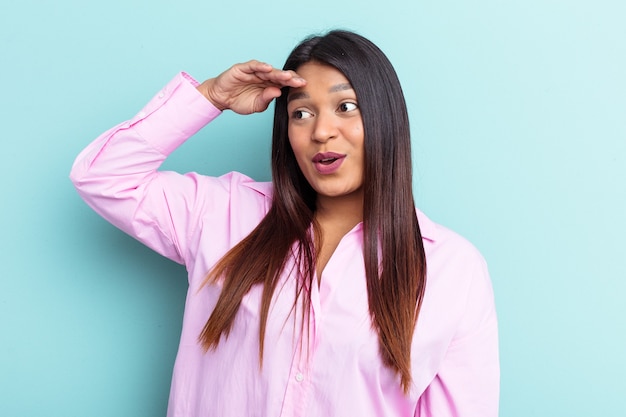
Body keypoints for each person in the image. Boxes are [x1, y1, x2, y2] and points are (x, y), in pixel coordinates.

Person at [70, 30, 499, 417]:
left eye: (345, 106)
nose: (321, 132)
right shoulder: (223, 213)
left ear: (385, 118)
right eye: (301, 113)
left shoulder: (452, 270)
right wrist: (210, 96)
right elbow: (102, 176)